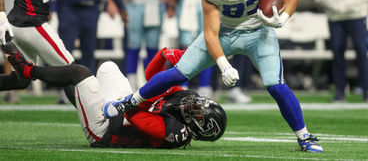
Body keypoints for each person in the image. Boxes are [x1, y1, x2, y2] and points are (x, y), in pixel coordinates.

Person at [105, 0, 323, 153]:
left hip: (259, 32)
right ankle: (129, 101)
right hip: (224, 33)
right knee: (178, 73)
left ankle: (304, 137)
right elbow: (210, 32)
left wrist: (284, 17)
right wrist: (224, 65)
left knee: (276, 86)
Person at [1, 41, 226, 148]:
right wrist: (163, 54)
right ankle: (18, 80)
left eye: (197, 111)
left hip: (106, 130)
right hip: (121, 110)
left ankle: (27, 71)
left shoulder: (176, 132)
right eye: (200, 103)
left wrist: (140, 97)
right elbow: (153, 78)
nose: (194, 103)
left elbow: (137, 115)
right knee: (106, 66)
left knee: (79, 74)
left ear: (197, 127)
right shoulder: (182, 102)